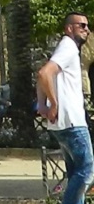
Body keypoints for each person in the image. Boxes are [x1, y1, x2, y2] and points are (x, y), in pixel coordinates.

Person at [36, 13, 94, 204]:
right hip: (73, 123)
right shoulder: (68, 47)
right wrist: (53, 104)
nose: (87, 29)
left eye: (87, 26)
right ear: (69, 28)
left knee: (76, 173)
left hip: (63, 124)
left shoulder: (64, 49)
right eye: (82, 25)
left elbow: (42, 76)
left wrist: (42, 105)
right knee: (87, 171)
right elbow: (45, 73)